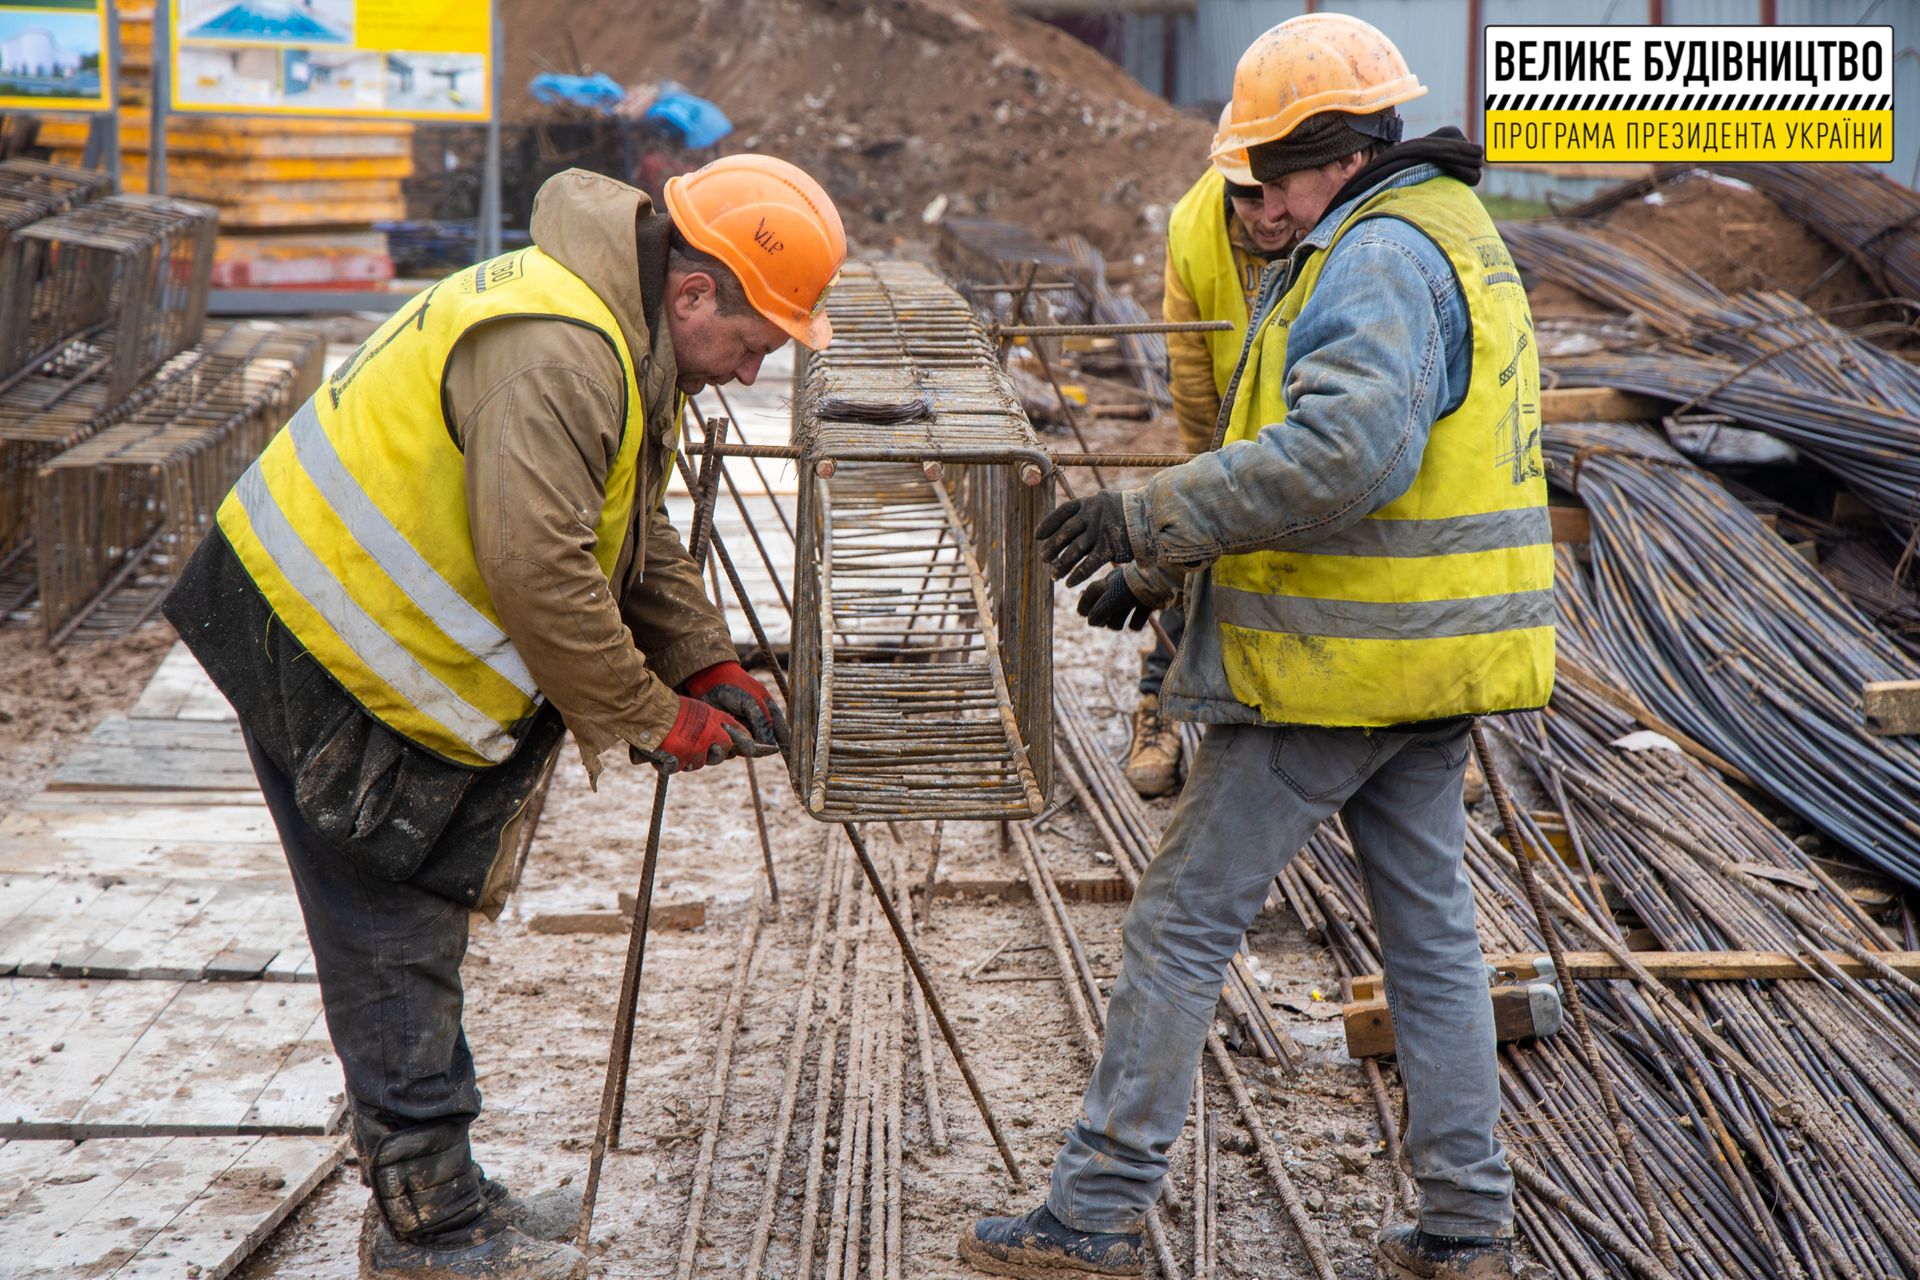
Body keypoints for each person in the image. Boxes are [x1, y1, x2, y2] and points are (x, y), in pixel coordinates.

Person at [163, 155, 846, 1278]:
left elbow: (621, 523)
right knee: (394, 928)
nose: (753, 370)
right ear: (691, 293)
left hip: (348, 631)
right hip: (321, 642)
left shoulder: (617, 336)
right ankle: (429, 1225)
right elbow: (540, 569)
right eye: (755, 342)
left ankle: (440, 1186)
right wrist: (649, 714)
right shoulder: (561, 354)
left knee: (410, 917)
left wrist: (702, 657)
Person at [965, 14, 1552, 1280]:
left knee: (1180, 926)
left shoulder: (1375, 255)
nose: (1258, 204)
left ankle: (1092, 1211)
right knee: (1433, 938)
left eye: (1275, 177)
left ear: (1343, 153)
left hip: (1331, 672)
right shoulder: (1452, 230)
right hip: (1430, 661)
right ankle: (1467, 1223)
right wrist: (1164, 568)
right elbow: (1357, 462)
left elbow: (1346, 458)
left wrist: (1146, 511)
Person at [1126, 106, 1293, 799]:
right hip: (1235, 426)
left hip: (1323, 429)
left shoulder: (1342, 222)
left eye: (1275, 191)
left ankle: (1428, 726)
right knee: (1197, 557)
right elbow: (1190, 363)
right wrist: (1206, 479)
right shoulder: (1193, 229)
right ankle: (1157, 704)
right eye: (1247, 197)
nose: (1267, 214)